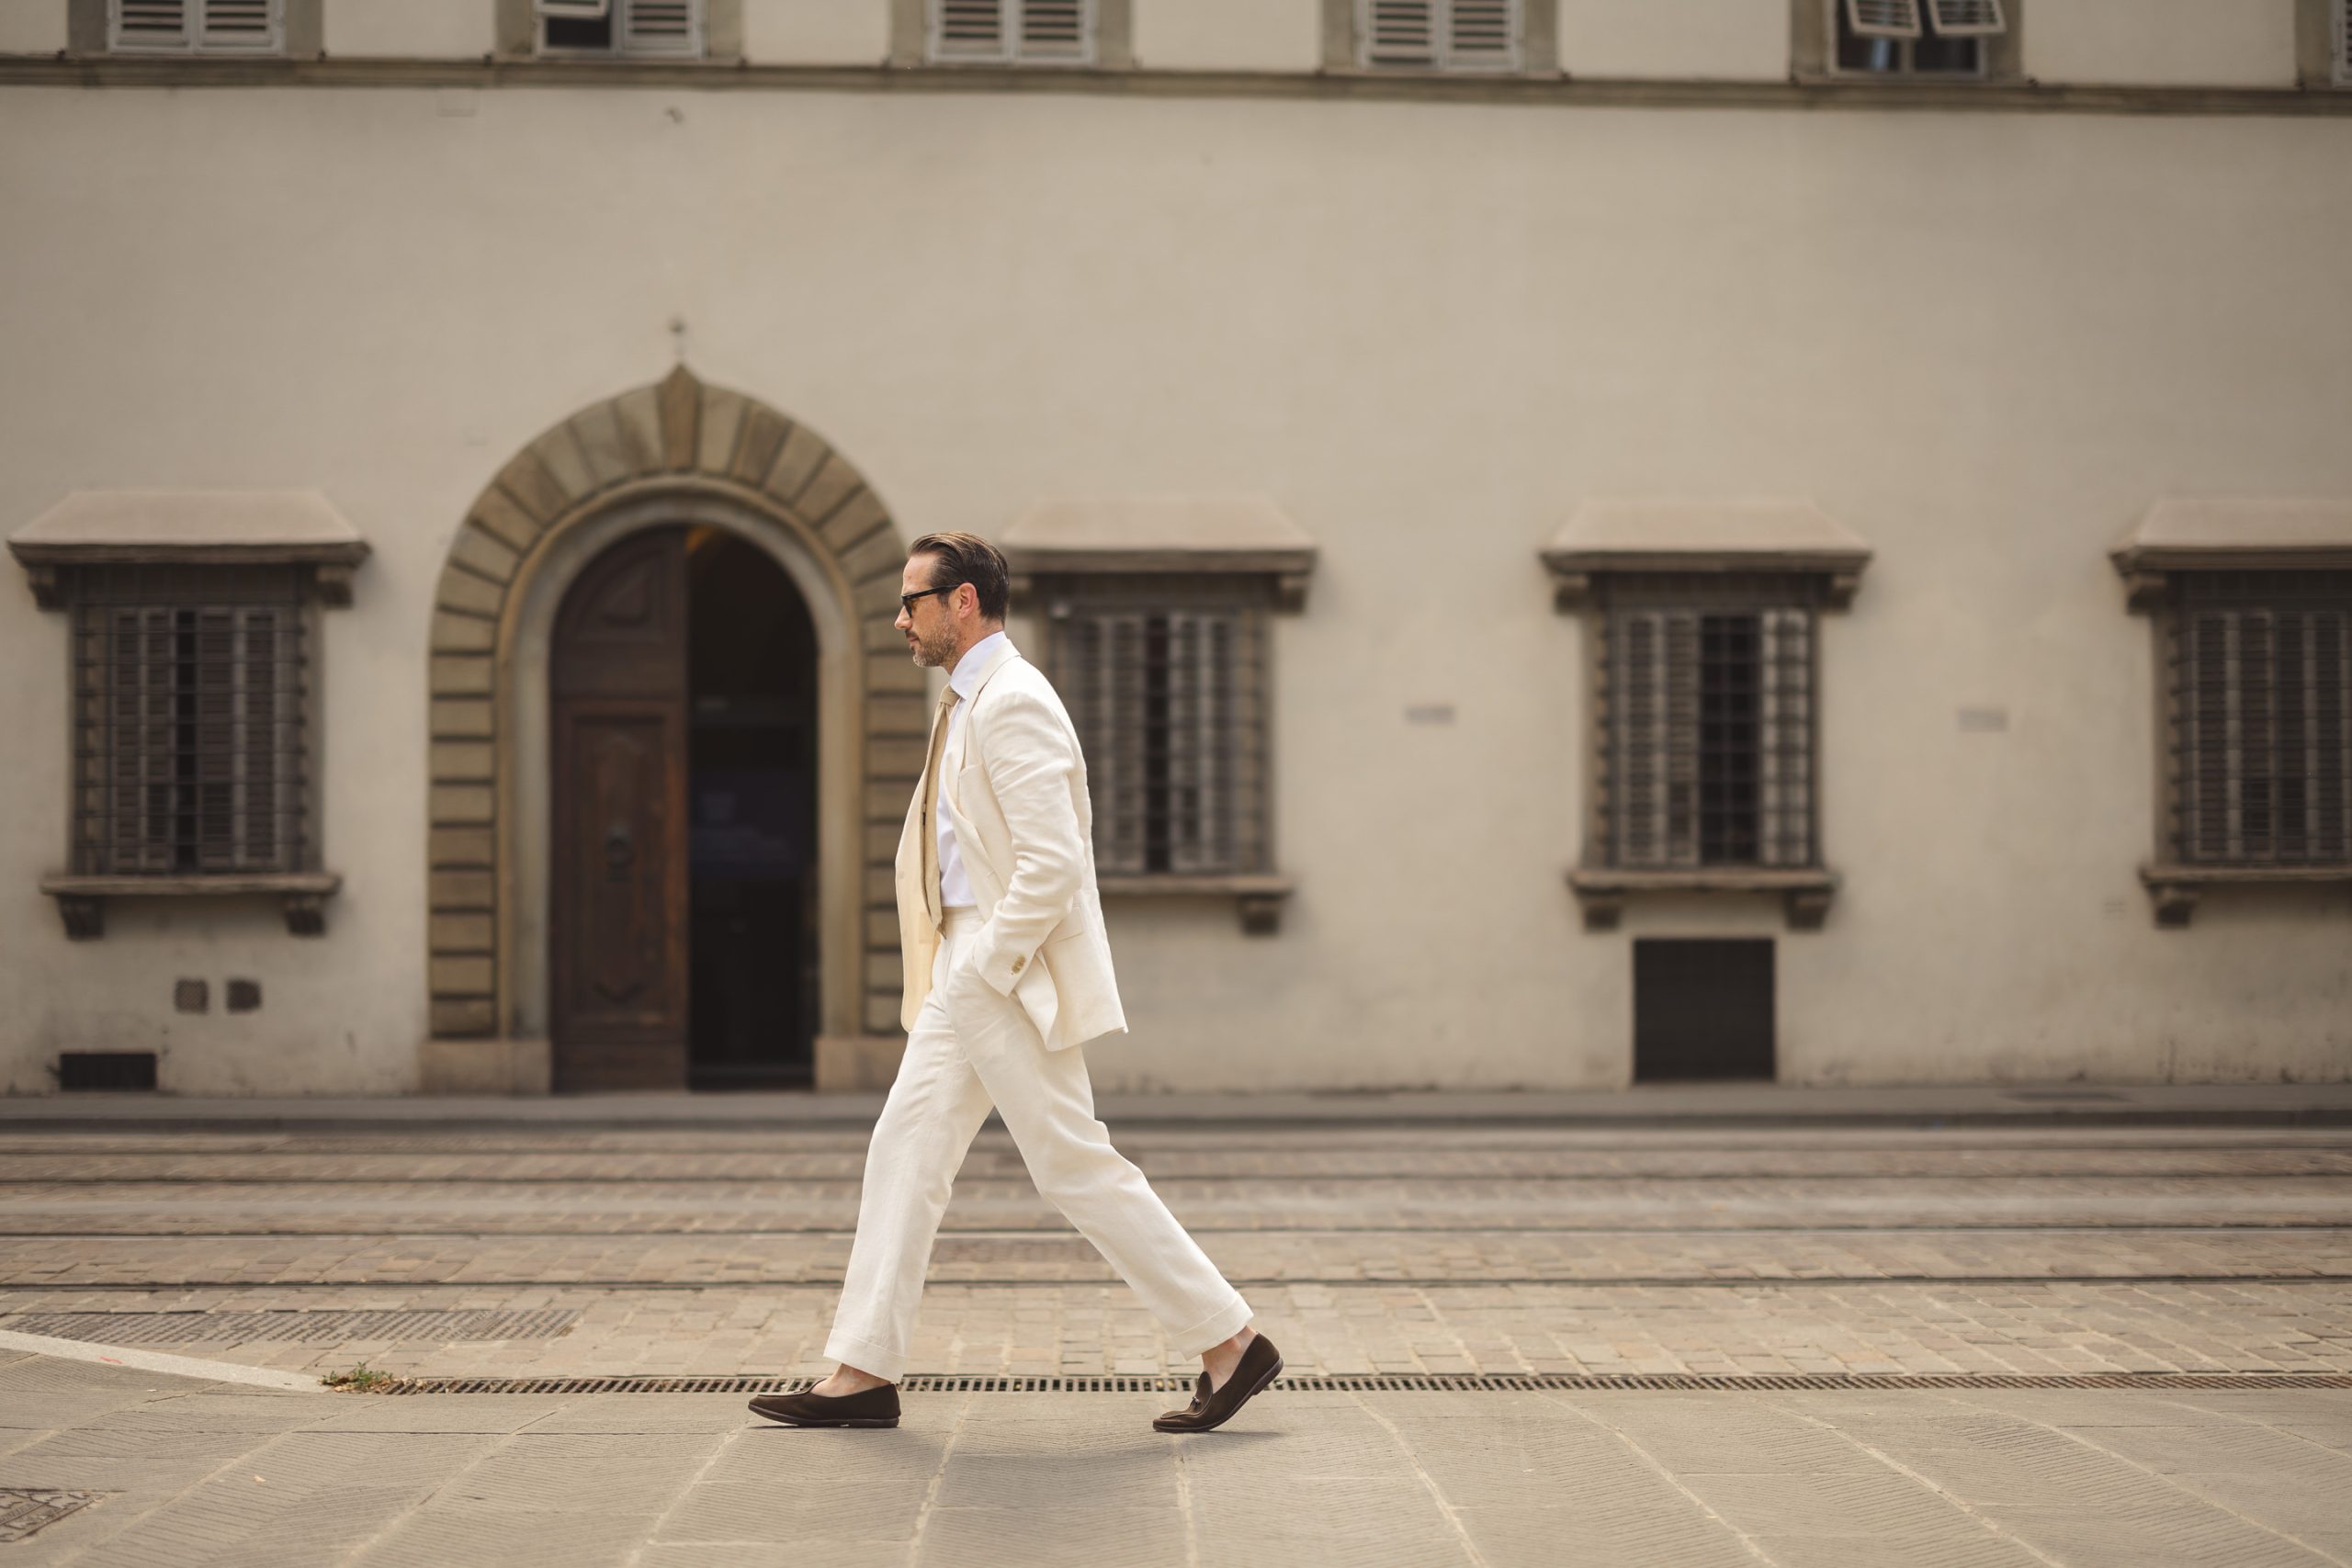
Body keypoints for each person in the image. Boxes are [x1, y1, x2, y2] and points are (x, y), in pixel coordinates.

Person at [748, 532, 1281, 1435]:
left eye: (912, 602)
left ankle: (1230, 1340)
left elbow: (1053, 862)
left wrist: (987, 968)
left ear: (964, 603)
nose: (899, 620)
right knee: (906, 1150)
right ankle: (863, 1371)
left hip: (998, 971)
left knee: (1071, 1164)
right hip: (970, 966)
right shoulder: (969, 700)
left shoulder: (1013, 702)